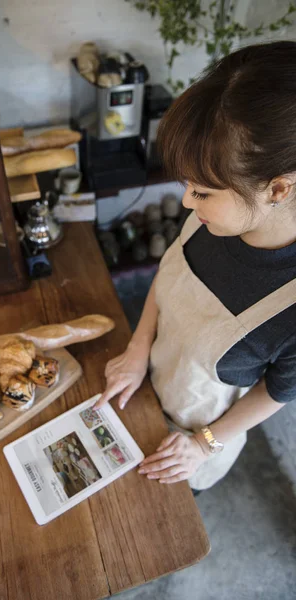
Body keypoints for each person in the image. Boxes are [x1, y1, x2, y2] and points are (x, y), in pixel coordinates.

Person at [94, 41, 296, 491]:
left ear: (277, 189)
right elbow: (170, 277)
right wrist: (137, 348)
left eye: (202, 192)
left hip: (190, 438)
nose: (187, 203)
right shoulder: (212, 222)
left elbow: (280, 390)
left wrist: (205, 443)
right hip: (144, 385)